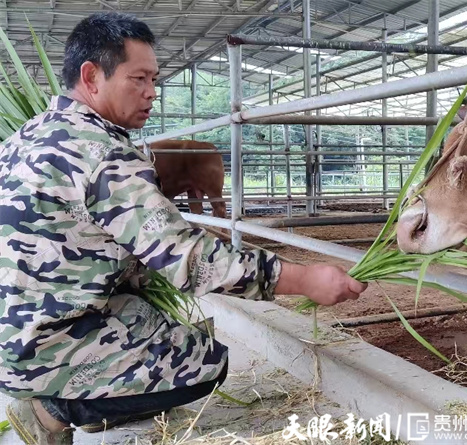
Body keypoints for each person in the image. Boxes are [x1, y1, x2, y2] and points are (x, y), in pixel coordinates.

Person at [0, 12, 367, 445]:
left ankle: (86, 392)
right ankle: (50, 411)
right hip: (40, 344)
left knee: (152, 319)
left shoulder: (24, 136)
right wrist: (303, 279)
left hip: (16, 328)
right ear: (91, 76)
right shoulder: (102, 153)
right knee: (202, 361)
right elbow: (188, 259)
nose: (151, 92)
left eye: (154, 80)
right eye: (138, 79)